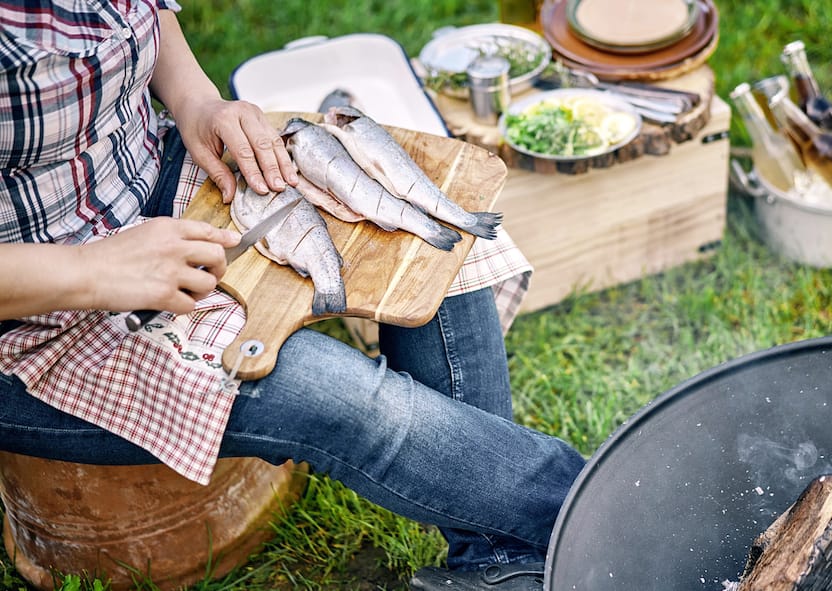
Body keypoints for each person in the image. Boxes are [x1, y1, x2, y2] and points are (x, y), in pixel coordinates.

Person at [0, 2, 585, 590]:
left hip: (157, 172)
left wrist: (198, 102)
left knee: (435, 245)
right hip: (38, 318)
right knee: (347, 402)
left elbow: (146, 15)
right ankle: (617, 504)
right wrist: (89, 270)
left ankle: (500, 559)